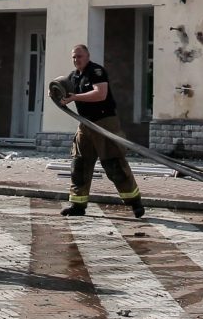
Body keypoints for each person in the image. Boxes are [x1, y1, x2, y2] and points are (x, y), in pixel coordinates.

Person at [52, 44, 144, 219]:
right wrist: (57, 95)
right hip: (85, 124)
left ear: (87, 56)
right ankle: (77, 204)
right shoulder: (74, 76)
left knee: (114, 164)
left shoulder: (96, 71)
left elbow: (100, 94)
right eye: (73, 57)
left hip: (104, 123)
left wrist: (76, 97)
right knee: (79, 165)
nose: (76, 60)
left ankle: (135, 203)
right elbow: (66, 93)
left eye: (79, 56)